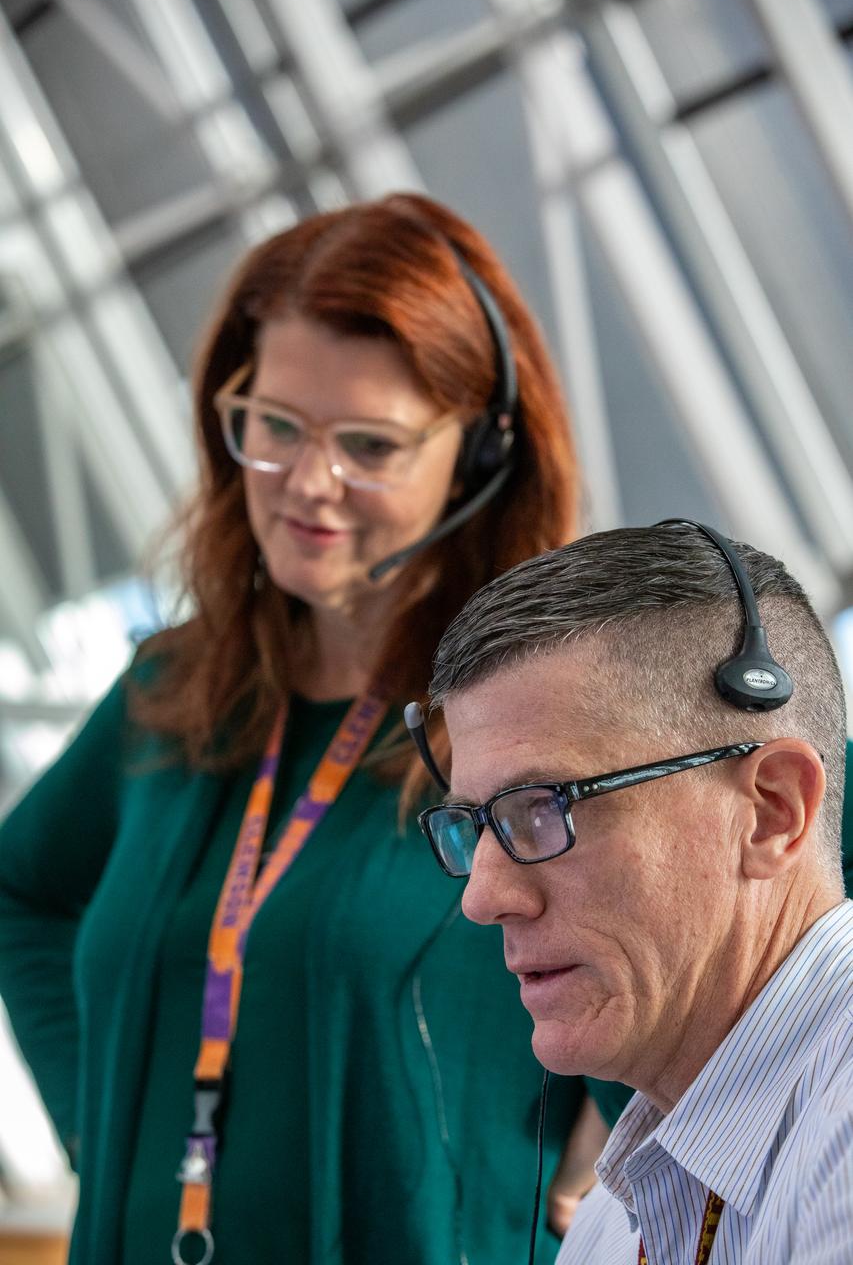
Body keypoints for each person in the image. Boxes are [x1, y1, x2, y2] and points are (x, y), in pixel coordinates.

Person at [0, 192, 599, 1265]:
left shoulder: (548, 709)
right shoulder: (175, 688)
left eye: (368, 443)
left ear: (478, 453)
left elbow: (799, 842)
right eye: (274, 426)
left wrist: (630, 1123)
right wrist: (102, 1118)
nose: (307, 485)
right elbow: (20, 887)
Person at [421, 522, 853, 1263]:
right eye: (475, 824)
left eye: (544, 807)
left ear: (771, 811)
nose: (483, 898)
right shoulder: (613, 1221)